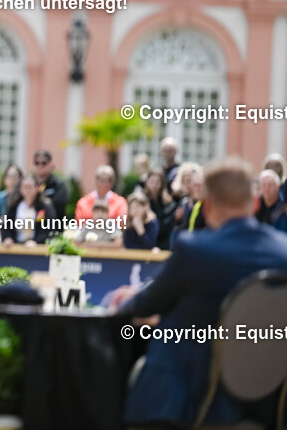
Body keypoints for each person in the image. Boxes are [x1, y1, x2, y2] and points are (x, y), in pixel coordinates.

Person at [113, 157, 287, 427]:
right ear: (254, 204)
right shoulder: (283, 254)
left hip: (190, 400)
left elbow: (144, 305)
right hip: (267, 401)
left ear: (206, 208)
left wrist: (124, 301)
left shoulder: (193, 251)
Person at [1, 174, 57, 246]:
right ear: (21, 189)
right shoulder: (14, 207)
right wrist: (8, 238)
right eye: (25, 187)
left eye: (30, 187)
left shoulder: (45, 207)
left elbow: (49, 229)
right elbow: (6, 226)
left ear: (37, 188)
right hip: (17, 247)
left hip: (37, 248)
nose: (27, 190)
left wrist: (36, 241)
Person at [142, 169, 179, 250]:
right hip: (143, 243)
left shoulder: (169, 204)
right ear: (147, 182)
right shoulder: (141, 202)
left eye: (158, 182)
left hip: (163, 245)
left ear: (162, 184)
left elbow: (167, 226)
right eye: (152, 181)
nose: (155, 185)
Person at [31, 149, 69, 218]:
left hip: (53, 225)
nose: (40, 165)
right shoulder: (28, 184)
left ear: (50, 164)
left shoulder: (59, 184)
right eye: (37, 163)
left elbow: (58, 206)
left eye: (44, 163)